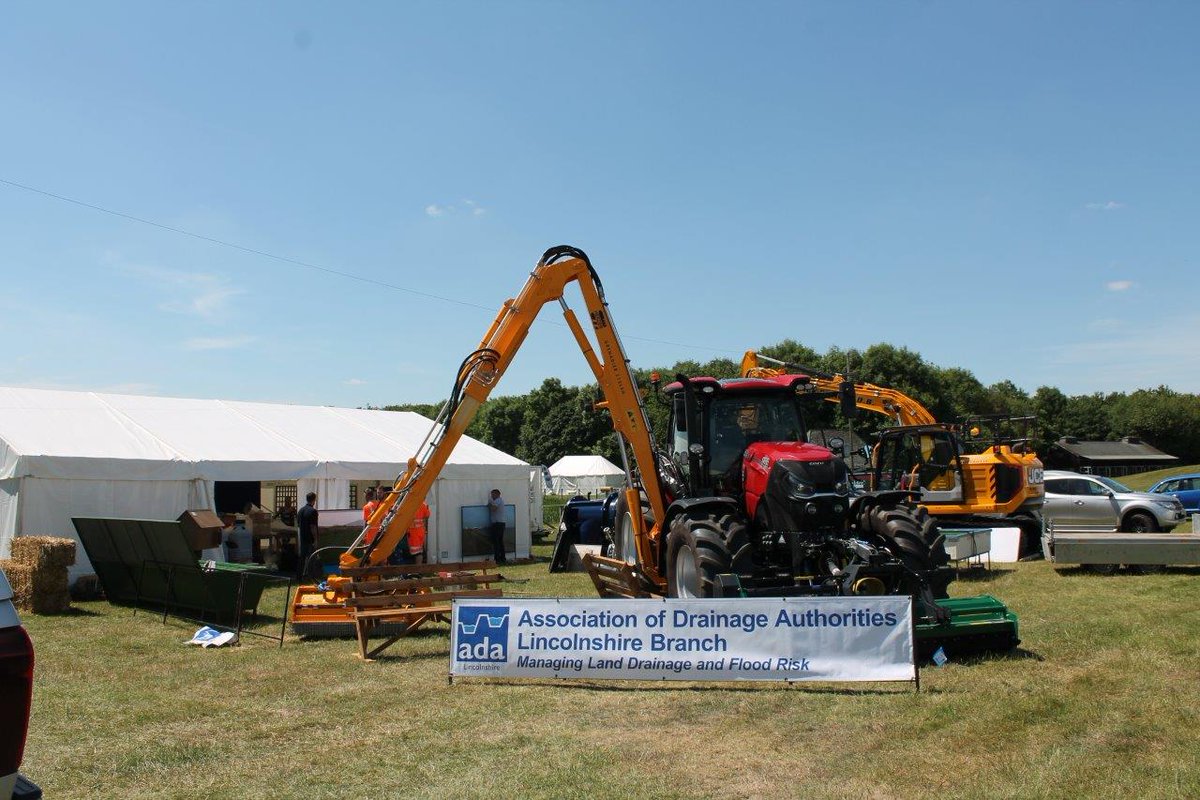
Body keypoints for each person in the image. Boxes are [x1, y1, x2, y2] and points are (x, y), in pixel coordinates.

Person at [296, 491, 319, 581]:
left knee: (302, 559)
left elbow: (298, 525)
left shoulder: (300, 511)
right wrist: (316, 540)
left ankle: (299, 576)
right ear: (314, 500)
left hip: (302, 538)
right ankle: (310, 576)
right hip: (310, 539)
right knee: (311, 559)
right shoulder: (313, 511)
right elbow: (313, 527)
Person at [487, 488, 507, 565]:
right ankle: (502, 558)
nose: (491, 496)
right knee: (500, 542)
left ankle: (497, 559)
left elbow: (493, 509)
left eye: (493, 494)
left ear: (497, 494)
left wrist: (489, 505)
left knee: (496, 542)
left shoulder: (498, 500)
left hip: (498, 524)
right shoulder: (497, 500)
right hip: (500, 523)